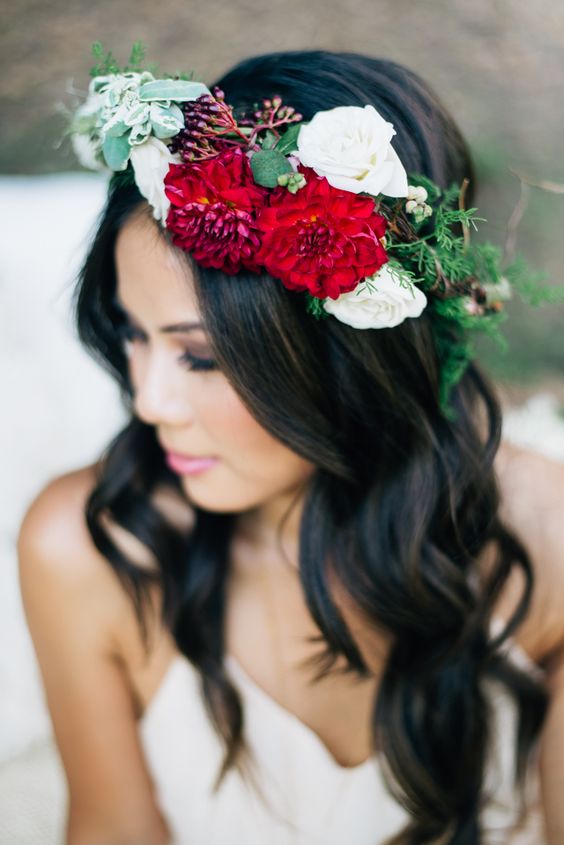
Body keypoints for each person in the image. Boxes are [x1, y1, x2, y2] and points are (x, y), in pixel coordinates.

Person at [16, 48, 564, 845]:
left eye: (200, 357)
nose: (148, 402)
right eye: (133, 337)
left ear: (350, 355)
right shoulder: (89, 547)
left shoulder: (542, 538)